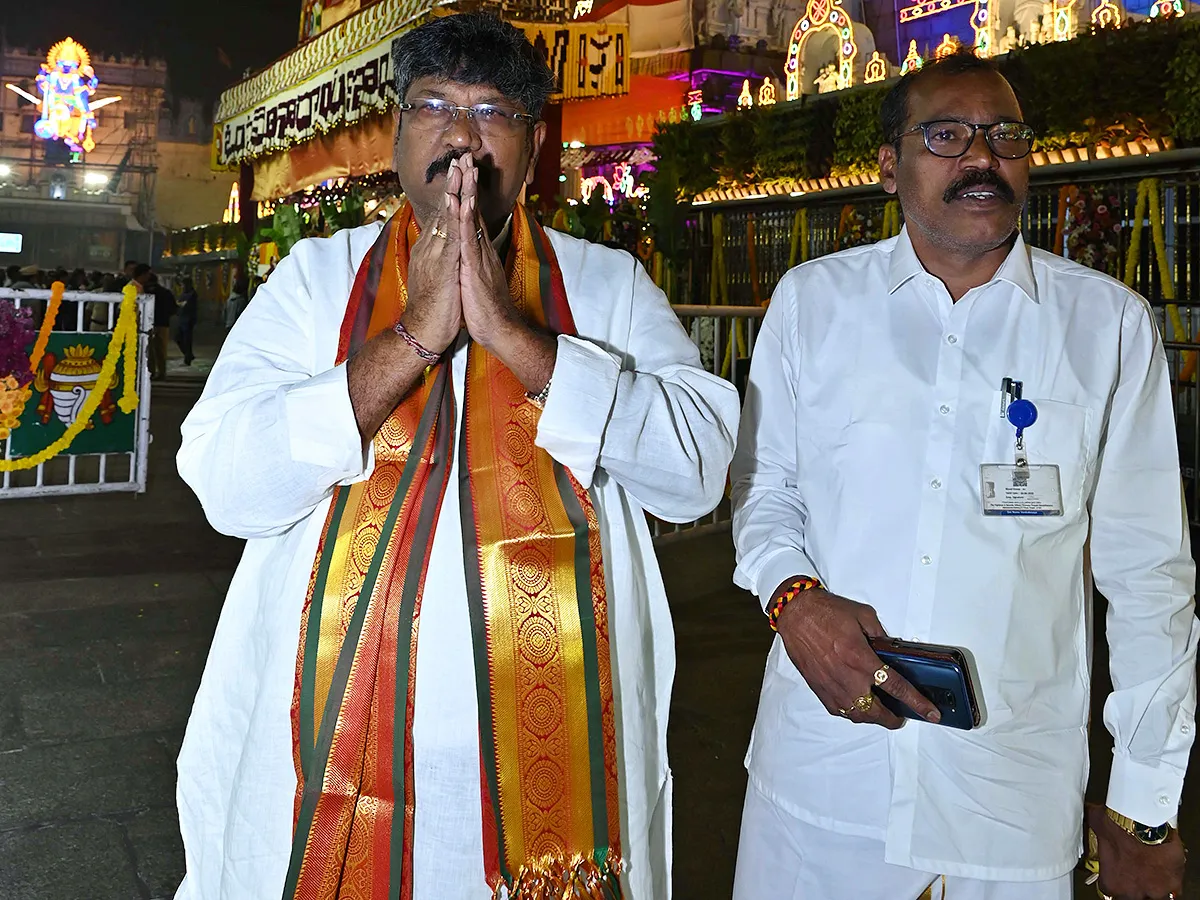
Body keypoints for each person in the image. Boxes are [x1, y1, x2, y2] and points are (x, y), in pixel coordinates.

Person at [174, 13, 739, 900]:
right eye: (434, 105)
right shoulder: (317, 280)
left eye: (493, 110)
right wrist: (409, 341)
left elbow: (698, 468)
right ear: (398, 132)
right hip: (321, 758)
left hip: (562, 770)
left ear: (535, 141)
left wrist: (520, 340)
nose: (462, 135)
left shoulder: (606, 286)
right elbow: (223, 484)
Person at [730, 51, 1194, 900]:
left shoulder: (1106, 327)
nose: (980, 156)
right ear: (887, 165)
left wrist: (1143, 806)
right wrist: (791, 600)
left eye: (1003, 135)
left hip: (1009, 804)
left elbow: (1148, 578)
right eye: (946, 134)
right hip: (825, 788)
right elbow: (765, 491)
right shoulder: (814, 303)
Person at [175, 276, 198, 365]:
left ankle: (187, 358)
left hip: (188, 319)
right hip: (182, 318)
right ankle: (188, 355)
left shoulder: (192, 294)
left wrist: (179, 304)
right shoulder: (184, 293)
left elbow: (184, 304)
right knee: (178, 338)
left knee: (186, 339)